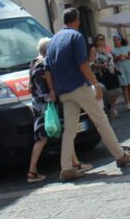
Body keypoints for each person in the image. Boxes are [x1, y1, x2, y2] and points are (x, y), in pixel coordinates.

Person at [45, 9, 130, 181]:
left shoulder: (53, 40)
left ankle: (66, 168)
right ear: (77, 20)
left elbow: (47, 70)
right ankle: (119, 155)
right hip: (79, 86)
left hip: (63, 91)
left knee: (69, 129)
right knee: (101, 119)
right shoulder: (76, 36)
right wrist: (95, 84)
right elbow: (82, 64)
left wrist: (52, 90)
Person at [26, 38, 90, 183]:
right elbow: (52, 82)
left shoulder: (33, 63)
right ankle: (32, 171)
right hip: (48, 104)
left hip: (38, 103)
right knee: (48, 136)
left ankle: (75, 163)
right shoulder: (45, 64)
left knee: (47, 136)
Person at [90, 34, 122, 116]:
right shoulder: (94, 50)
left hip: (111, 71)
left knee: (116, 91)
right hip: (102, 73)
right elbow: (91, 64)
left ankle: (111, 107)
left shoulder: (107, 48)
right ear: (96, 41)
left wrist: (115, 67)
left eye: (103, 39)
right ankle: (109, 110)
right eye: (100, 39)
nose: (102, 40)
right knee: (107, 93)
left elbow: (111, 59)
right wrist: (101, 65)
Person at [112, 34, 130, 110]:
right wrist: (117, 58)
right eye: (115, 40)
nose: (116, 41)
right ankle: (128, 104)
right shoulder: (113, 50)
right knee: (124, 86)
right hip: (120, 68)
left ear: (120, 40)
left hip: (127, 66)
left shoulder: (126, 47)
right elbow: (112, 60)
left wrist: (126, 57)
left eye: (117, 39)